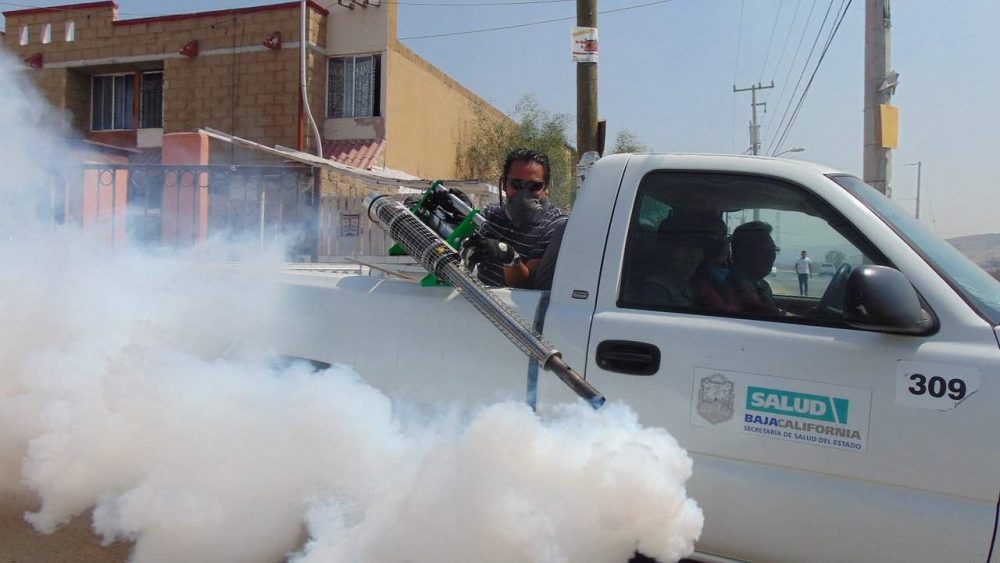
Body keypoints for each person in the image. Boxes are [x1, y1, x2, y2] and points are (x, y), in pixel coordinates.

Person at [461, 148, 568, 290]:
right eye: (517, 185)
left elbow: (528, 283)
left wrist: (509, 257)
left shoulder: (556, 226)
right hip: (480, 301)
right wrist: (458, 218)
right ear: (504, 184)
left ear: (546, 187)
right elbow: (460, 247)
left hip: (516, 309)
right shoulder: (492, 214)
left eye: (534, 186)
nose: (524, 194)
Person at [635, 212, 708, 308]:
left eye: (698, 246)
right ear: (667, 248)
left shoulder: (692, 285)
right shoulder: (655, 290)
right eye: (684, 245)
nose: (694, 254)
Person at [727, 221, 783, 315]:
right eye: (765, 249)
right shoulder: (739, 286)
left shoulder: (759, 284)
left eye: (773, 249)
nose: (772, 255)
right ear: (743, 251)